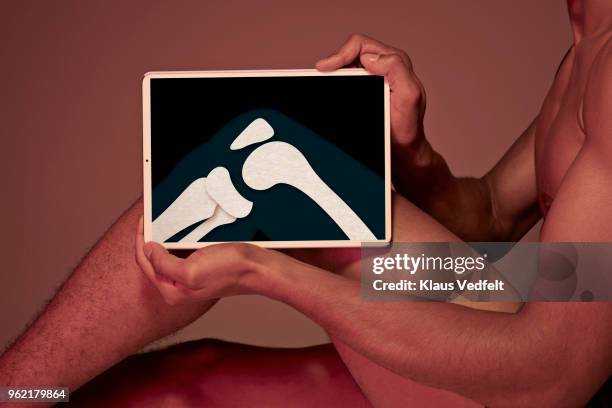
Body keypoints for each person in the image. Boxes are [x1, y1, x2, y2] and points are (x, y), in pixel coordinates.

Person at [1, 0, 612, 406]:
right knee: (168, 388)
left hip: (543, 377)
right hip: (540, 307)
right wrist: (409, 151)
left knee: (266, 159)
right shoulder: (585, 42)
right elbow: (489, 220)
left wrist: (268, 273)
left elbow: (554, 374)